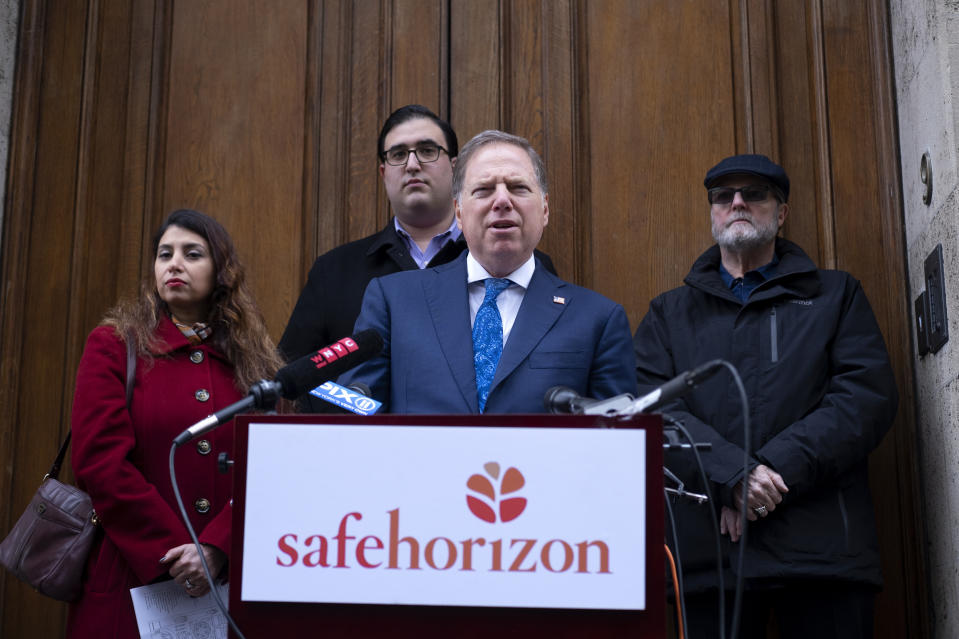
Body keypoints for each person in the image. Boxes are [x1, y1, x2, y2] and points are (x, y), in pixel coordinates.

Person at [632, 154, 897, 638]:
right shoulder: (669, 313)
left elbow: (864, 398)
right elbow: (652, 409)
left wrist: (766, 475)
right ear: (712, 212)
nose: (737, 204)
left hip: (822, 555)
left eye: (753, 194)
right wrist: (731, 475)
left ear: (781, 212)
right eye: (723, 196)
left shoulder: (837, 296)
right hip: (711, 557)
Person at [67, 210, 285, 638]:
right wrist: (174, 552)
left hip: (230, 579)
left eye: (192, 253)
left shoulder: (253, 359)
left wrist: (218, 546)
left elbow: (273, 465)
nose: (174, 263)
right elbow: (99, 462)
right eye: (165, 253)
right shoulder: (114, 345)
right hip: (132, 577)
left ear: (221, 271)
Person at [278, 105, 554, 411]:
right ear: (383, 173)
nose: (412, 164)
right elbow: (295, 374)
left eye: (427, 151)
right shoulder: (334, 270)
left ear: (455, 168)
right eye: (397, 154)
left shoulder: (517, 263)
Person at [340, 130, 636, 413]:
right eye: (483, 190)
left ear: (544, 209)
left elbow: (616, 443)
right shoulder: (394, 301)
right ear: (458, 212)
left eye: (518, 188)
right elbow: (356, 415)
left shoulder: (598, 319)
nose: (502, 201)